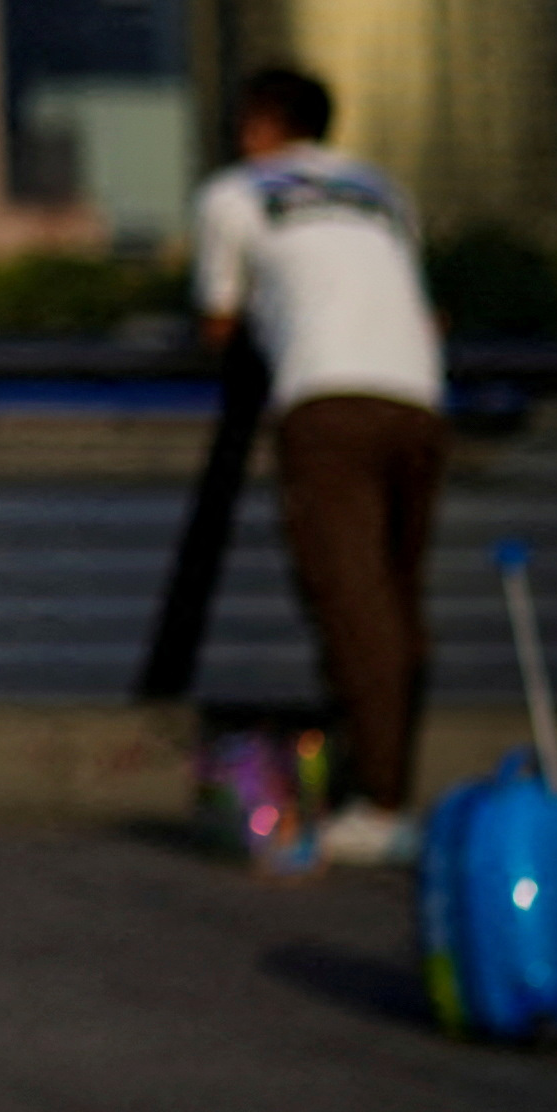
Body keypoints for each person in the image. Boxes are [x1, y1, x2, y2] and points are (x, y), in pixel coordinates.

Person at [191, 65, 447, 869]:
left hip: (324, 400)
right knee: (399, 601)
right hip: (419, 398)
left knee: (349, 601)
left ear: (261, 123)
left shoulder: (233, 193)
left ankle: (378, 805)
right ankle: (383, 786)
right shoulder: (383, 189)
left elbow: (219, 319)